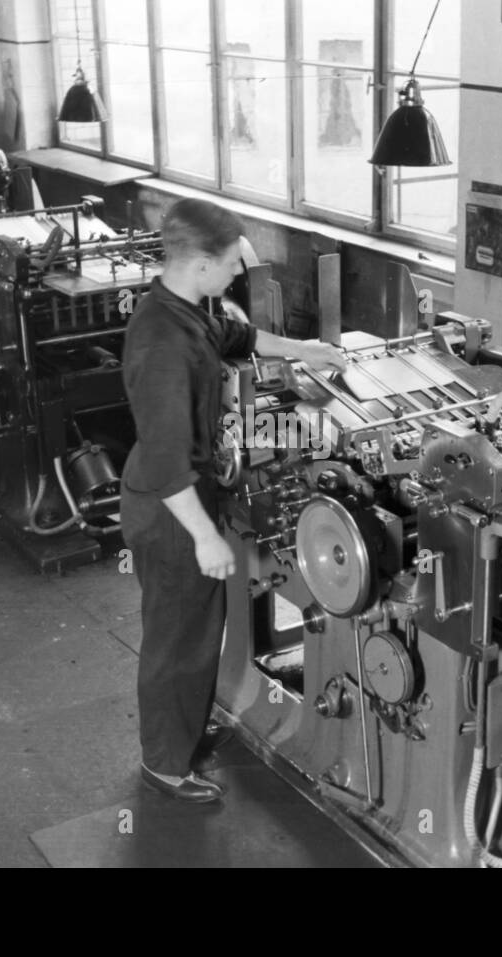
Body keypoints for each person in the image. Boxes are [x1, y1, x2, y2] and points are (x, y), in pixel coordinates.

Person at [121, 199, 346, 803]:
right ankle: (165, 764)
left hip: (190, 492)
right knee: (176, 637)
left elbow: (239, 335)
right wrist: (204, 536)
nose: (234, 277)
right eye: (229, 266)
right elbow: (168, 464)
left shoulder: (186, 306)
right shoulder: (162, 343)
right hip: (171, 510)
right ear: (199, 263)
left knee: (200, 629)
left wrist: (305, 351)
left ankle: (185, 730)